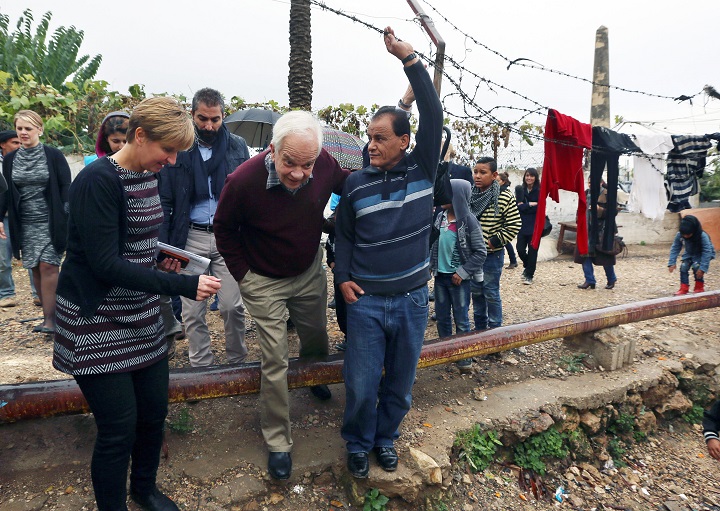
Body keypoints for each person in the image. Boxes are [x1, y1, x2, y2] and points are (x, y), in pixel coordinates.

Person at [52, 97, 221, 511]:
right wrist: (181, 282)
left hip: (142, 315)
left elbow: (134, 246)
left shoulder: (148, 173)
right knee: (118, 428)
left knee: (152, 415)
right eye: (168, 150)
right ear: (140, 136)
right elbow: (105, 263)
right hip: (96, 319)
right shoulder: (97, 181)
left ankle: (143, 489)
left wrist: (159, 257)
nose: (172, 159)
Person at [214, 109, 349, 480]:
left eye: (307, 165)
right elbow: (223, 229)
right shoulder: (242, 180)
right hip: (264, 279)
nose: (298, 173)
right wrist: (245, 277)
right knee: (274, 358)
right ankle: (278, 439)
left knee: (317, 335)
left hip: (307, 270)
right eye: (290, 162)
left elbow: (349, 186)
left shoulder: (322, 162)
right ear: (273, 150)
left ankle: (315, 374)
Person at [334, 27, 443, 479]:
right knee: (360, 384)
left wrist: (410, 59)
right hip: (368, 303)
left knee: (399, 384)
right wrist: (342, 278)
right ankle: (358, 443)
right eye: (369, 137)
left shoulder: (423, 169)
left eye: (381, 137)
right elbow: (342, 237)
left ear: (404, 141)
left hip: (414, 300)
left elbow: (433, 114)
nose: (372, 144)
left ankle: (385, 439)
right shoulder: (355, 184)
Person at [159, 88, 249, 367]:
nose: (209, 126)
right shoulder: (179, 147)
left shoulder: (237, 146)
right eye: (202, 119)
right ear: (192, 114)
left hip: (227, 237)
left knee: (232, 306)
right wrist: (164, 246)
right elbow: (165, 199)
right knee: (193, 310)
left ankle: (237, 363)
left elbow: (246, 191)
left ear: (223, 117)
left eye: (215, 119)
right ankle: (201, 366)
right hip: (189, 236)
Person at [0, 110, 71, 333]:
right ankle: (48, 317)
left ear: (39, 129)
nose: (23, 133)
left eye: (28, 129)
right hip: (25, 222)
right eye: (19, 128)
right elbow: (6, 192)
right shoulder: (10, 159)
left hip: (50, 220)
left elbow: (65, 187)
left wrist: (67, 215)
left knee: (49, 265)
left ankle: (53, 321)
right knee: (35, 268)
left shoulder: (53, 155)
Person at [430, 179, 486, 374]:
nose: (441, 198)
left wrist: (462, 272)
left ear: (457, 197)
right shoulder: (440, 217)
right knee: (443, 317)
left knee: (461, 318)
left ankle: (464, 357)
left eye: (446, 194)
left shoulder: (468, 220)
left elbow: (480, 252)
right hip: (441, 277)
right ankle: (445, 353)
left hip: (458, 280)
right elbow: (434, 243)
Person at [469, 157, 521, 331]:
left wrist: (492, 242)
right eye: (475, 172)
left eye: (483, 172)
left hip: (491, 256)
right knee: (476, 293)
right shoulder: (471, 194)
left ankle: (495, 333)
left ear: (494, 175)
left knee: (490, 293)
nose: (477, 176)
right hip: (473, 256)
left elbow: (514, 224)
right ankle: (479, 330)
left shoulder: (504, 197)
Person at [577, 181, 618, 290]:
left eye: (594, 181)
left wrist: (599, 210)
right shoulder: (585, 194)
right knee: (585, 253)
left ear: (600, 182)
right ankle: (589, 280)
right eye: (590, 182)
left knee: (604, 255)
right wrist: (579, 220)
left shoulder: (608, 194)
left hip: (603, 229)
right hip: (587, 229)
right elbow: (580, 209)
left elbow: (614, 212)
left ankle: (611, 279)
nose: (591, 184)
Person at [668, 215, 715, 295]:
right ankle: (684, 288)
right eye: (684, 235)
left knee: (697, 267)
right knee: (683, 267)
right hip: (689, 254)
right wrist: (672, 262)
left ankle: (699, 287)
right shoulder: (680, 235)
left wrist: (703, 268)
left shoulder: (702, 236)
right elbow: (675, 247)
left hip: (701, 254)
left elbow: (707, 251)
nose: (686, 236)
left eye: (688, 234)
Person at [0, 130, 18, 307]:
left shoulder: (25, 160)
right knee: (3, 259)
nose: (19, 146)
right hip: (2, 218)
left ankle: (38, 294)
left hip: (23, 216)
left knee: (32, 259)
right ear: (3, 144)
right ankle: (6, 294)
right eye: (15, 142)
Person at [515, 168, 540, 285]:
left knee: (533, 250)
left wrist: (525, 206)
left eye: (531, 176)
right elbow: (518, 207)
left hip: (535, 224)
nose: (529, 178)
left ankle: (529, 274)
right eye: (527, 176)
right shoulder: (520, 190)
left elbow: (540, 207)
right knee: (520, 249)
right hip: (522, 224)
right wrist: (530, 204)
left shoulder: (539, 191)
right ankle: (528, 264)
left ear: (535, 177)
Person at [496, 172, 518, 269]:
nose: (496, 183)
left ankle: (513, 260)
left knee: (504, 241)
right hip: (501, 222)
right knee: (505, 242)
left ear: (503, 181)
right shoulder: (498, 190)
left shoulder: (505, 193)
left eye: (498, 181)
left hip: (503, 222)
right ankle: (513, 260)